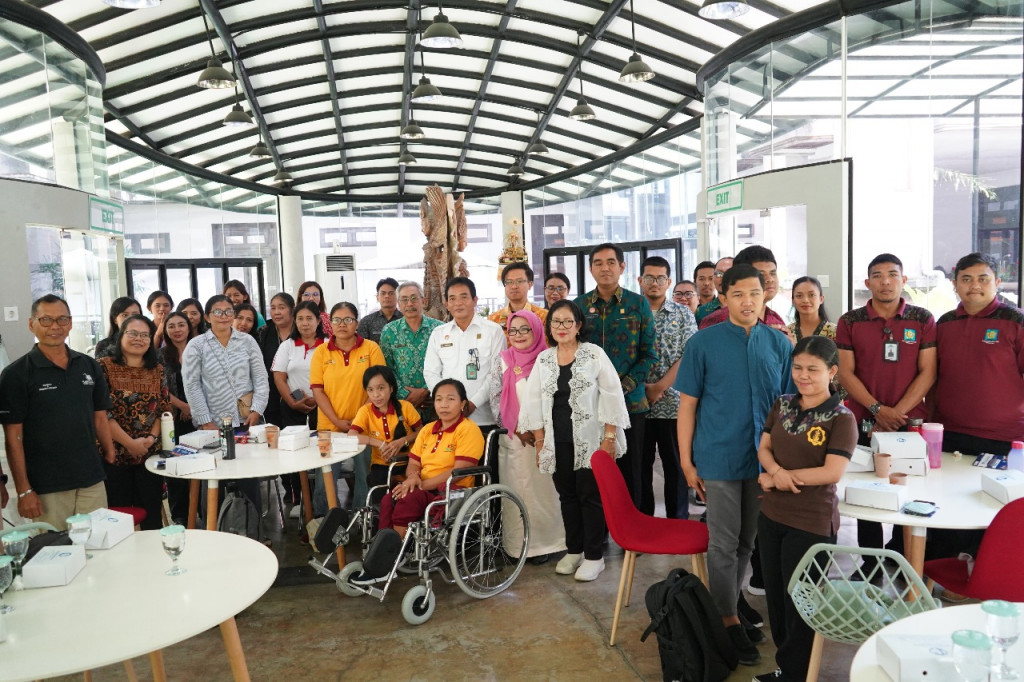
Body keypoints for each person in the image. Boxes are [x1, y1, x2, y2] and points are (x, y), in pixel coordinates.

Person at [675, 264, 794, 666]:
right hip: (718, 456)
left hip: (763, 461)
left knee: (747, 541)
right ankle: (725, 620)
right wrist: (686, 461)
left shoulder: (778, 344)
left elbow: (787, 407)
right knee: (724, 542)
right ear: (723, 298)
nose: (747, 302)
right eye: (738, 294)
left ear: (766, 296)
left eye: (754, 294)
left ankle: (730, 604)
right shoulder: (703, 343)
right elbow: (687, 407)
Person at [755, 336, 857, 682]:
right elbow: (764, 448)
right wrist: (775, 473)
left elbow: (832, 472)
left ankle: (799, 674)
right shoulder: (782, 404)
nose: (803, 375)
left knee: (801, 603)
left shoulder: (842, 418)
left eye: (812, 369)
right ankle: (787, 668)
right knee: (776, 599)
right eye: (798, 367)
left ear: (831, 372)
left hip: (811, 523)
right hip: (771, 517)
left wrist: (779, 479)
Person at [521, 300, 630, 582]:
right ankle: (574, 550)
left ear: (578, 325)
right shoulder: (545, 360)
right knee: (567, 496)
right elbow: (533, 401)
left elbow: (612, 395)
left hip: (590, 439)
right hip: (557, 441)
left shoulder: (593, 354)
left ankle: (594, 556)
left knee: (590, 497)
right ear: (549, 327)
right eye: (556, 321)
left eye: (568, 321)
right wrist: (540, 441)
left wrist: (609, 438)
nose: (562, 327)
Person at [836, 253, 936, 558]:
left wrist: (896, 414)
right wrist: (879, 410)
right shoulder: (850, 321)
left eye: (892, 274)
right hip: (863, 420)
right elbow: (845, 373)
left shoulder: (922, 319)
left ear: (903, 280)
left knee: (912, 488)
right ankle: (871, 561)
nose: (886, 282)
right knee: (867, 489)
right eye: (878, 276)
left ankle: (903, 556)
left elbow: (928, 372)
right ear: (868, 283)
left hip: (910, 422)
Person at [0, 294, 116, 529]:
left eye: (62, 319)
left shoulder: (88, 365)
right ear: (31, 324)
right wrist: (24, 490)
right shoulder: (16, 374)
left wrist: (110, 452)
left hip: (91, 478)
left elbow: (99, 416)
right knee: (54, 547)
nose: (55, 326)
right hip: (47, 485)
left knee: (99, 543)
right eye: (46, 320)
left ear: (70, 323)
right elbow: (14, 436)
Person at [574, 243, 656, 505]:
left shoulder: (638, 304)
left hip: (630, 404)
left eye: (611, 262)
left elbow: (649, 355)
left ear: (622, 267)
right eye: (598, 263)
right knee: (594, 474)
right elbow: (573, 353)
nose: (605, 268)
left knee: (632, 474)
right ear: (590, 269)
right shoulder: (579, 306)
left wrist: (623, 387)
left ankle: (635, 526)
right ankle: (601, 527)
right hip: (591, 405)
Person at [488, 310, 566, 564]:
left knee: (546, 495)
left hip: (546, 437)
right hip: (515, 439)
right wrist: (516, 427)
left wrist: (541, 429)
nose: (518, 335)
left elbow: (558, 397)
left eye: (525, 329)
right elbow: (495, 399)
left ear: (537, 330)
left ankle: (548, 545)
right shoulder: (502, 360)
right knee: (518, 494)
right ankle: (518, 547)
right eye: (513, 330)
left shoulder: (549, 359)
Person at [934, 252, 1024, 456]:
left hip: (1005, 437)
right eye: (966, 279)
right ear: (955, 284)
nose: (975, 285)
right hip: (948, 432)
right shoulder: (944, 323)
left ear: (997, 283)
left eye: (983, 279)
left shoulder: (1016, 321)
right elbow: (932, 377)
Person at [378, 379, 484, 537]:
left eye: (451, 399)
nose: (444, 405)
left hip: (451, 492)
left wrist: (421, 485)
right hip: (423, 487)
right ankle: (382, 545)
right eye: (439, 399)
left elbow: (460, 470)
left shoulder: (468, 429)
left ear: (462, 404)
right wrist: (413, 478)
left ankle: (397, 547)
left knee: (409, 499)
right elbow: (413, 463)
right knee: (388, 499)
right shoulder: (427, 429)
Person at [310, 302, 385, 511]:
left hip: (365, 427)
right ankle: (325, 520)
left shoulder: (371, 348)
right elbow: (318, 391)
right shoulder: (321, 352)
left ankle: (362, 519)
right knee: (324, 479)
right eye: (337, 320)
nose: (342, 324)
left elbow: (379, 388)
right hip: (329, 429)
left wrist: (358, 421)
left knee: (365, 477)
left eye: (348, 320)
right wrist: (337, 421)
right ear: (330, 324)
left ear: (357, 323)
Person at [98, 315, 170, 531]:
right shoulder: (103, 367)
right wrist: (130, 443)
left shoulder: (157, 370)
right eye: (133, 334)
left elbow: (163, 409)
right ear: (121, 336)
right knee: (117, 519)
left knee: (151, 515)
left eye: (145, 335)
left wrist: (151, 438)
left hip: (149, 454)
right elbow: (101, 413)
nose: (139, 339)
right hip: (114, 454)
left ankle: (153, 551)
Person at [638, 256, 695, 519]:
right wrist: (643, 388)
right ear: (640, 280)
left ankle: (678, 523)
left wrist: (659, 387)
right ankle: (643, 524)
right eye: (649, 277)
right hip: (636, 404)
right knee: (639, 468)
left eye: (660, 278)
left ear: (668, 282)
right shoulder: (631, 311)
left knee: (676, 467)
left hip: (673, 405)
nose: (655, 283)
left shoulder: (683, 314)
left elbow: (689, 356)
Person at [423, 277, 506, 440]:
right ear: (446, 304)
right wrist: (447, 403)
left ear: (475, 300)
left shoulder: (493, 331)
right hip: (449, 419)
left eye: (464, 297)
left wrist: (473, 403)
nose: (458, 303)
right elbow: (430, 373)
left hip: (484, 419)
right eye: (452, 298)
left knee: (485, 457)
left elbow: (496, 374)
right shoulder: (439, 334)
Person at [181, 295, 269, 431]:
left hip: (248, 419)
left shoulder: (247, 341)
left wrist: (257, 410)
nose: (224, 316)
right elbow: (192, 386)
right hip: (214, 423)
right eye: (217, 312)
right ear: (207, 317)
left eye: (228, 311)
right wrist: (205, 421)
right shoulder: (196, 345)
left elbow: (260, 378)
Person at [349, 365, 422, 493]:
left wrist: (403, 441)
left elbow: (422, 432)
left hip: (409, 463)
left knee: (411, 493)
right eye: (370, 390)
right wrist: (380, 444)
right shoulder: (366, 411)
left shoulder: (405, 407)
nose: (376, 395)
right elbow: (351, 435)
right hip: (381, 465)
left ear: (391, 388)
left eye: (381, 388)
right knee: (378, 491)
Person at [380, 281, 443, 423]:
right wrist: (406, 394)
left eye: (414, 298)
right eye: (404, 299)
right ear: (399, 304)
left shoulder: (439, 329)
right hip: (403, 404)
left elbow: (447, 364)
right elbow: (386, 368)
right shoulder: (389, 331)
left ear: (423, 301)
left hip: (436, 402)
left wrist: (427, 390)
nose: (409, 303)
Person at [699, 246, 791, 342]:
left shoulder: (777, 320)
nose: (770, 279)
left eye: (772, 273)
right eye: (761, 274)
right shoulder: (717, 320)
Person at [159, 311, 195, 525]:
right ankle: (180, 514)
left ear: (189, 327)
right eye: (171, 326)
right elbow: (159, 387)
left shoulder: (199, 349)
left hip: (200, 417)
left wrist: (194, 407)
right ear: (165, 330)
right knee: (175, 466)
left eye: (181, 325)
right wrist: (182, 406)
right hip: (172, 419)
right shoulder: (160, 356)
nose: (177, 330)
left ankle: (202, 510)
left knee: (200, 463)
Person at [257, 292, 296, 433]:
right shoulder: (264, 332)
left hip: (297, 394)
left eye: (281, 307)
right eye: (273, 308)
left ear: (292, 309)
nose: (276, 312)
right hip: (271, 396)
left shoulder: (301, 331)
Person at [489, 262, 548, 338]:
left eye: (519, 281)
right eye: (509, 282)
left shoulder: (543, 316)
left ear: (530, 284)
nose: (514, 286)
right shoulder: (493, 319)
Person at [788, 276, 836, 342]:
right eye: (799, 296)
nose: (805, 300)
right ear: (793, 301)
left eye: (811, 295)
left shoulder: (835, 332)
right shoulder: (787, 333)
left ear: (821, 299)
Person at [357, 278, 403, 344]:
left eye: (391, 293)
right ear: (377, 297)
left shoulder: (405, 319)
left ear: (398, 296)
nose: (387, 296)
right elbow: (362, 346)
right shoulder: (366, 321)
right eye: (383, 293)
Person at [694, 256, 732, 323]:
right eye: (719, 274)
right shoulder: (700, 312)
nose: (706, 283)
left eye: (729, 273)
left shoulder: (747, 307)